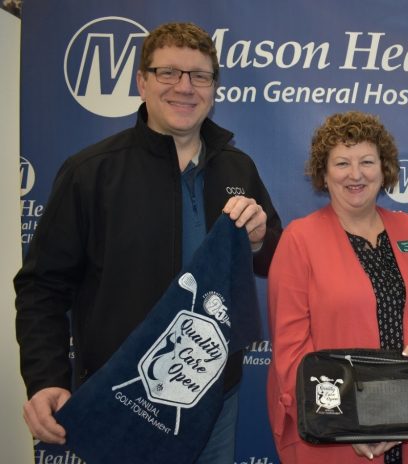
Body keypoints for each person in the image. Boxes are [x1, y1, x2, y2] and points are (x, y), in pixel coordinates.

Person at [14, 22, 282, 463]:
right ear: (142, 81)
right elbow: (42, 287)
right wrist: (46, 378)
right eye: (168, 73)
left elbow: (274, 255)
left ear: (214, 88)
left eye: (199, 75)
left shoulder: (238, 168)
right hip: (123, 398)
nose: (185, 87)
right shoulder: (90, 171)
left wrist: (258, 241)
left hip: (214, 398)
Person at [266, 111, 408, 463]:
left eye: (367, 161)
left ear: (384, 169)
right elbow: (290, 352)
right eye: (342, 163)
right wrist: (345, 425)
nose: (356, 174)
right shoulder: (299, 240)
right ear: (324, 173)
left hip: (405, 417)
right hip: (332, 428)